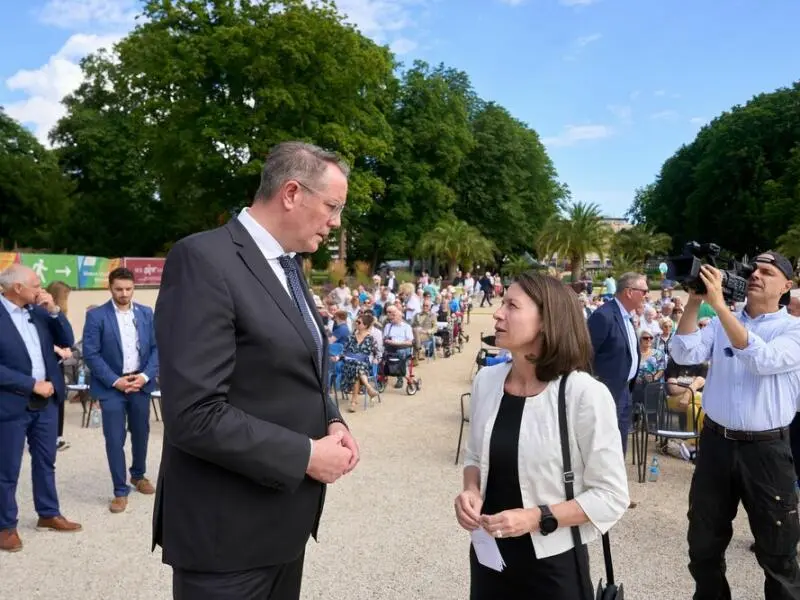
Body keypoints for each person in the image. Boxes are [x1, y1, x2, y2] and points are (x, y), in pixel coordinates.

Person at [153, 141, 359, 600]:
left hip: (281, 527)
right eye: (332, 206)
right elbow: (194, 413)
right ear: (291, 193)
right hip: (226, 538)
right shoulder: (203, 260)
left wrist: (331, 418)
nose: (336, 221)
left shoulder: (287, 266)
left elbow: (294, 364)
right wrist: (306, 454)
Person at [455, 271, 628, 599]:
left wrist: (535, 518)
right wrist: (470, 491)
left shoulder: (583, 394)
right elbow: (475, 457)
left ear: (547, 321)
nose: (497, 313)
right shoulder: (487, 382)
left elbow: (611, 496)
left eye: (511, 305)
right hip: (489, 558)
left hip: (553, 566)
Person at [670, 252, 800, 599]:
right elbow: (684, 354)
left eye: (767, 272)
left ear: (786, 286)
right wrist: (695, 302)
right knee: (703, 543)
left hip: (767, 451)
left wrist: (721, 308)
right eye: (753, 269)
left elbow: (762, 359)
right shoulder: (719, 324)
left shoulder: (794, 330)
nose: (756, 275)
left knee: (778, 552)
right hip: (716, 444)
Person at [0, 265, 82, 553]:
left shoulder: (39, 311)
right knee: (6, 468)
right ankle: (5, 526)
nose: (41, 289)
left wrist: (55, 311)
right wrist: (30, 384)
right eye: (36, 285)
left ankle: (48, 513)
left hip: (47, 402)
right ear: (17, 288)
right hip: (11, 404)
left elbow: (66, 341)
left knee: (46, 461)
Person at [82, 267, 159, 513]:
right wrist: (116, 381)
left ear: (134, 287)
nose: (124, 294)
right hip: (111, 386)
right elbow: (91, 354)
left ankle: (138, 475)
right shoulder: (97, 316)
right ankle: (119, 489)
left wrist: (145, 376)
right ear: (110, 287)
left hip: (140, 383)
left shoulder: (147, 313)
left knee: (141, 432)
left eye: (128, 289)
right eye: (119, 289)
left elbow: (158, 348)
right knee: (114, 438)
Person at [587, 272, 647, 458]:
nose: (647, 295)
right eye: (643, 291)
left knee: (619, 443)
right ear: (629, 292)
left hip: (625, 390)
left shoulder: (626, 316)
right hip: (607, 392)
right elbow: (585, 354)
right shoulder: (603, 316)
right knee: (605, 445)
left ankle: (615, 482)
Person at [46, 280, 73, 451]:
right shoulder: (43, 312)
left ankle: (57, 436)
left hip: (59, 361)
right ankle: (51, 437)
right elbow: (42, 338)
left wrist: (67, 349)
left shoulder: (59, 314)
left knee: (59, 399)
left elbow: (68, 337)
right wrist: (58, 350)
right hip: (49, 360)